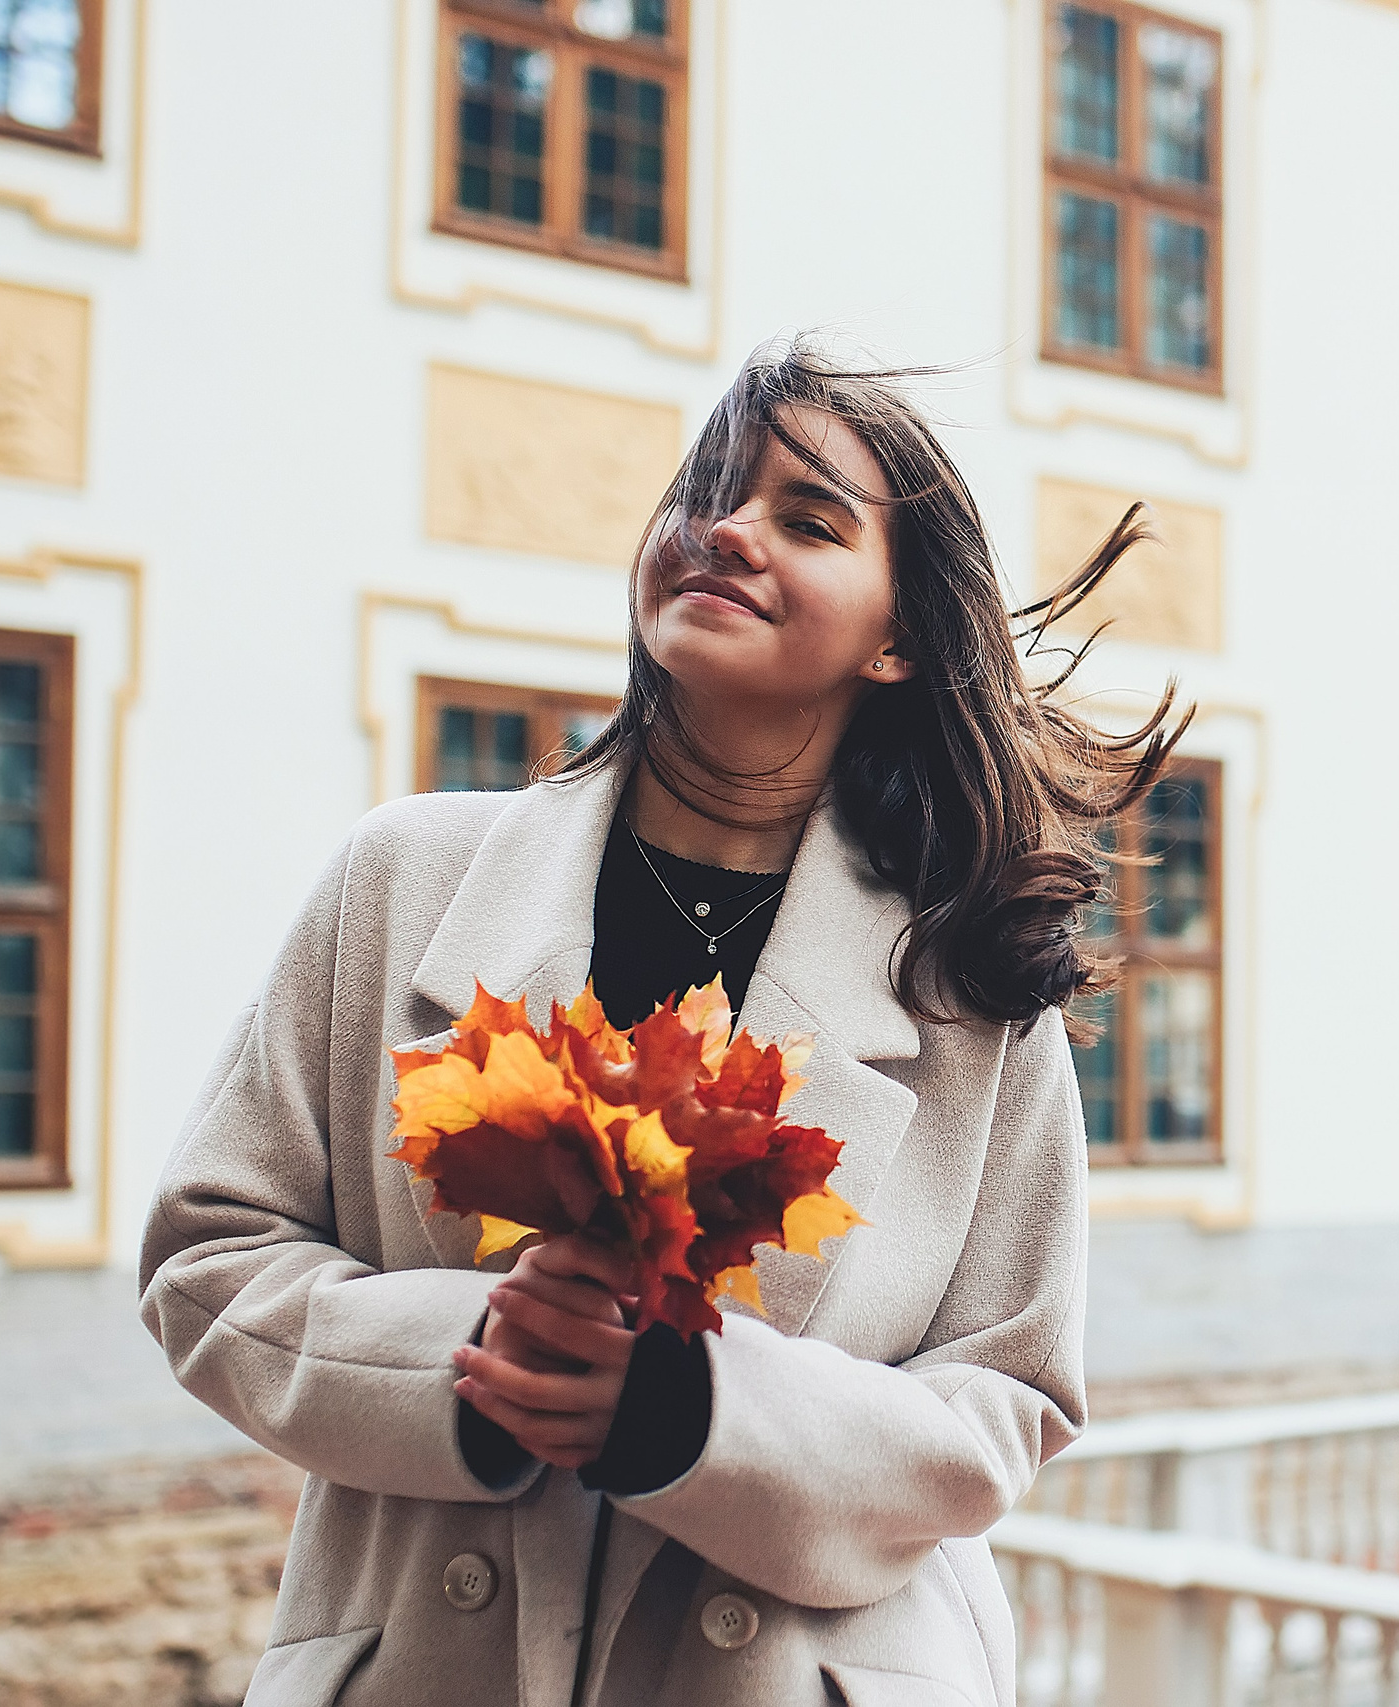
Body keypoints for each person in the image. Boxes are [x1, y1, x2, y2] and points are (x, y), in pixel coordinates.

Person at [139, 339, 1181, 1707]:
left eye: (808, 521)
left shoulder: (968, 986)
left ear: (898, 640)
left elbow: (1006, 1401)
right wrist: (475, 1363)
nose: (727, 532)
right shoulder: (400, 880)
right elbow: (209, 1258)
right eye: (706, 493)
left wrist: (692, 1412)